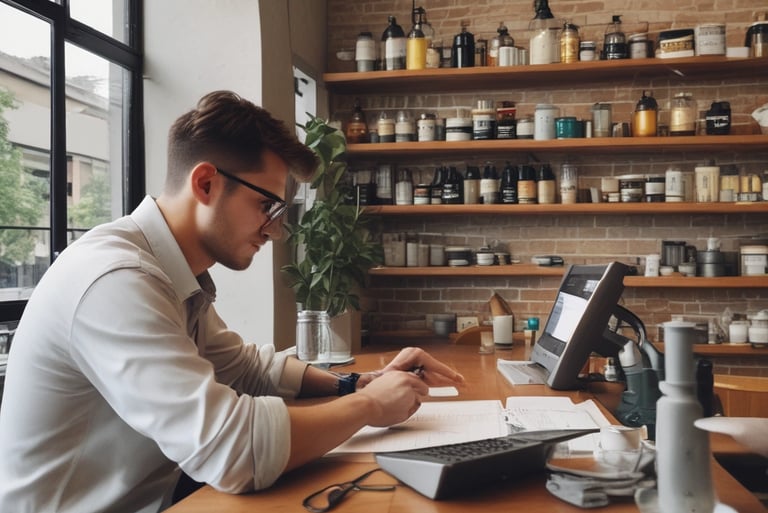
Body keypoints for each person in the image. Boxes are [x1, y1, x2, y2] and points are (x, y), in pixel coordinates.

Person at [0, 91, 465, 513]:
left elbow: (245, 369)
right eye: (267, 206)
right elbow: (231, 451)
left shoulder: (170, 270)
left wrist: (357, 384)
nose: (276, 230)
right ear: (205, 184)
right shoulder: (117, 280)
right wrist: (368, 407)